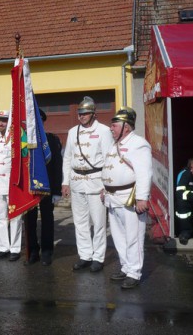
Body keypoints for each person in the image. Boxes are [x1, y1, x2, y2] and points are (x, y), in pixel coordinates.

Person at [102, 107, 152, 289]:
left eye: (114, 125)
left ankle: (134, 272)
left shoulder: (138, 144)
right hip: (112, 197)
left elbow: (144, 173)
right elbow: (108, 168)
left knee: (134, 237)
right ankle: (125, 266)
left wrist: (142, 198)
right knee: (118, 237)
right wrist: (104, 188)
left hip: (129, 198)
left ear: (126, 127)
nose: (111, 128)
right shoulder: (114, 144)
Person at [61, 97, 113, 272]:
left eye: (85, 113)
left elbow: (108, 160)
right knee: (80, 222)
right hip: (77, 181)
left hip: (96, 181)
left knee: (98, 222)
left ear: (93, 114)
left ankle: (98, 257)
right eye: (80, 113)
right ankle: (85, 255)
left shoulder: (104, 131)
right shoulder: (72, 132)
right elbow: (67, 157)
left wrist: (107, 185)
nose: (82, 116)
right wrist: (65, 182)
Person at [26, 109, 63, 266]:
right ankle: (33, 251)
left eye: (38, 120)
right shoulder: (24, 140)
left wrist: (56, 190)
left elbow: (56, 166)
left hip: (47, 186)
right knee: (29, 220)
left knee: (47, 219)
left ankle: (47, 251)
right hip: (29, 188)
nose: (36, 123)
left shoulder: (51, 140)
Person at [0, 110, 22, 262]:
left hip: (12, 185)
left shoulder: (15, 138)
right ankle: (4, 247)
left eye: (4, 120)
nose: (1, 123)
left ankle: (15, 249)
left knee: (15, 217)